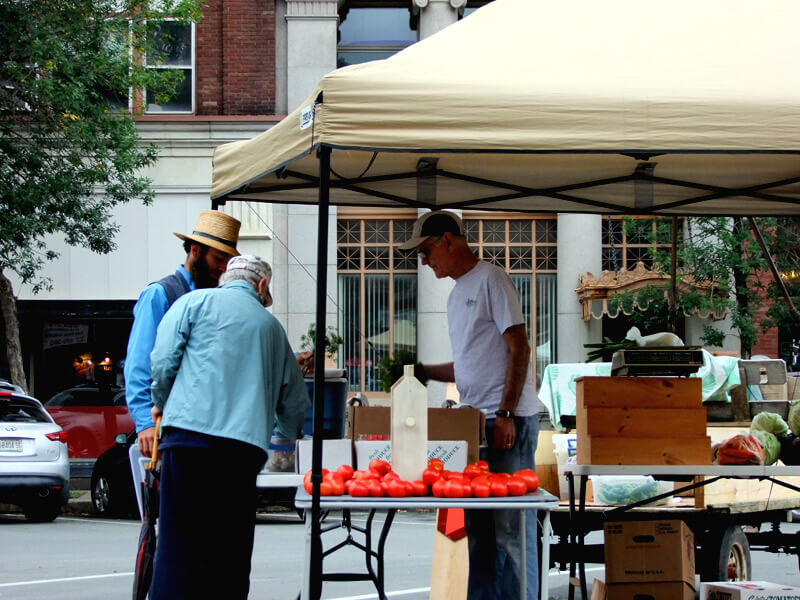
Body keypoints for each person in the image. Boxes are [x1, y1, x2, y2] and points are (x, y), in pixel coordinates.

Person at [148, 255, 310, 600]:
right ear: (262, 285)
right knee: (230, 548)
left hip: (186, 439)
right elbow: (294, 403)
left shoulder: (191, 302)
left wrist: (161, 400)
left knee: (179, 544)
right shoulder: (271, 329)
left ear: (226, 278)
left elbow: (162, 360)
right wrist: (287, 434)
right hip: (240, 449)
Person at [399, 210, 540, 600]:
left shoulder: (492, 280)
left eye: (426, 252)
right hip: (477, 422)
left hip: (508, 420)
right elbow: (469, 367)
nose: (425, 262)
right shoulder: (457, 292)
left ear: (449, 240)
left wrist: (507, 413)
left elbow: (520, 347)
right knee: (479, 529)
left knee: (511, 530)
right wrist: (423, 371)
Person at [124, 209, 241, 457]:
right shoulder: (159, 294)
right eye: (218, 259)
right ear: (195, 250)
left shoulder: (218, 299)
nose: (222, 268)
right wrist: (145, 422)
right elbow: (139, 362)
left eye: (227, 262)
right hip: (167, 428)